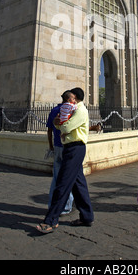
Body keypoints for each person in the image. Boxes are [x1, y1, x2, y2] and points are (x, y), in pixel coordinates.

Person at [36, 87, 94, 234]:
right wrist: (59, 123)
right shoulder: (73, 110)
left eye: (71, 96)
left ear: (76, 97)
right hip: (70, 148)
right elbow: (61, 125)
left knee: (62, 183)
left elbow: (66, 127)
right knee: (78, 185)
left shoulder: (80, 111)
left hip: (75, 149)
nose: (68, 99)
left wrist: (59, 123)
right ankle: (87, 217)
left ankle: (51, 220)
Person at [46, 93, 74, 214]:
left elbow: (49, 129)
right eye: (73, 99)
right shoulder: (72, 110)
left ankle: (52, 203)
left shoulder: (54, 110)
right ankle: (66, 206)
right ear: (69, 99)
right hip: (67, 147)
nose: (75, 101)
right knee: (68, 177)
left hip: (56, 146)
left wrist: (51, 146)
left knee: (56, 177)